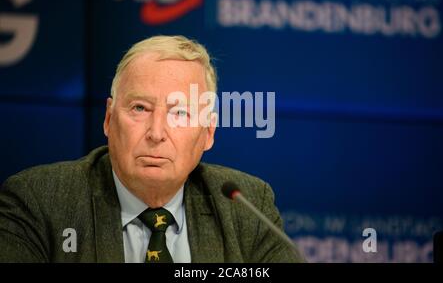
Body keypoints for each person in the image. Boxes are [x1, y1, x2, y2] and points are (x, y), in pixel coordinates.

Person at [0, 35, 304, 263]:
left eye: (180, 113)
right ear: (108, 119)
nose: (156, 133)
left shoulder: (247, 208)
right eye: (140, 108)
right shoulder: (39, 201)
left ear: (208, 133)